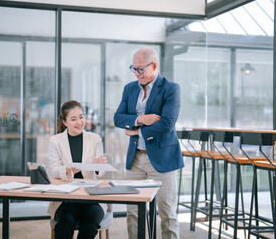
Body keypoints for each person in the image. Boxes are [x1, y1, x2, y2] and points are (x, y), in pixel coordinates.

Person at [114, 47, 184, 239]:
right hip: (135, 158)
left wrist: (134, 129)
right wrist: (141, 120)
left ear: (154, 66)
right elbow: (118, 118)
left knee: (167, 213)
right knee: (134, 212)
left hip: (162, 159)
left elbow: (167, 124)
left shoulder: (171, 89)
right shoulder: (130, 88)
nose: (137, 73)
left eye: (140, 69)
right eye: (133, 68)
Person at [47, 100, 107, 239]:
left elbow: (100, 173)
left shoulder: (94, 139)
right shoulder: (55, 141)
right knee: (64, 225)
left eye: (81, 117)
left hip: (91, 198)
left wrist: (99, 166)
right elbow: (54, 169)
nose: (79, 122)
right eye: (73, 119)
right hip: (66, 199)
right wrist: (67, 171)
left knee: (90, 226)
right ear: (64, 121)